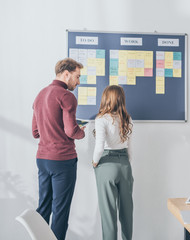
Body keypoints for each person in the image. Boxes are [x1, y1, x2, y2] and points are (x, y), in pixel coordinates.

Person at [32, 58, 85, 240]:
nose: (78, 82)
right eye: (77, 77)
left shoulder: (40, 94)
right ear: (66, 74)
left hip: (43, 159)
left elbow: (35, 132)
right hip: (62, 160)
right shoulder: (67, 96)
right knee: (60, 210)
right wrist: (81, 132)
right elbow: (71, 131)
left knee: (44, 207)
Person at [92, 85, 134, 240]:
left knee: (108, 214)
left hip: (106, 164)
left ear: (105, 98)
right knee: (127, 211)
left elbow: (99, 146)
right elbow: (130, 147)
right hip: (124, 164)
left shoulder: (101, 119)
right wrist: (127, 163)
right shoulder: (127, 118)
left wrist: (95, 162)